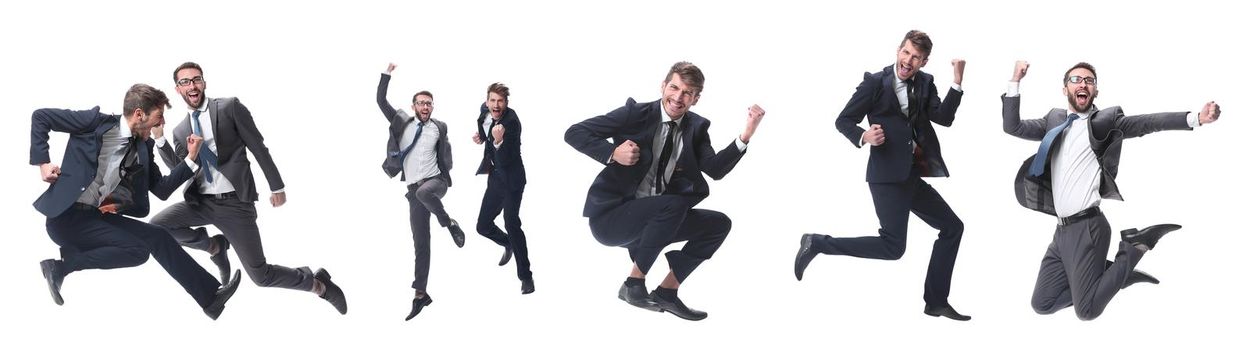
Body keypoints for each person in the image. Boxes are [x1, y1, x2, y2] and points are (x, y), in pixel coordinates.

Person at [1002, 60, 1220, 320]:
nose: (1083, 84)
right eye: (1076, 80)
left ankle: (1134, 247)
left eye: (1089, 81)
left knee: (1087, 311)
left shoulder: (1105, 121)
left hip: (1088, 228)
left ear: (1095, 91)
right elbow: (1012, 126)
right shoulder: (1054, 120)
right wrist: (1015, 80)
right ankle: (1116, 276)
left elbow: (1147, 123)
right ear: (1065, 89)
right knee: (1042, 303)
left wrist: (1196, 118)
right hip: (1062, 232)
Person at [565, 61, 765, 321]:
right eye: (674, 87)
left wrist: (746, 135)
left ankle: (667, 292)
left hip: (655, 223)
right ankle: (633, 285)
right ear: (663, 86)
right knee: (674, 203)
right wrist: (612, 153)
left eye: (687, 93)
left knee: (718, 224)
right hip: (612, 219)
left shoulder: (696, 128)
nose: (678, 97)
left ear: (696, 99)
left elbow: (714, 169)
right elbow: (574, 132)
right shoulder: (634, 114)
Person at [793, 30, 971, 321]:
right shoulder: (874, 83)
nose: (908, 61)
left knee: (952, 227)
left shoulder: (926, 82)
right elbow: (843, 120)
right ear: (898, 51)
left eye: (916, 57)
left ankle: (936, 301)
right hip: (887, 177)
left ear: (924, 62)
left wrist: (957, 81)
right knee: (892, 247)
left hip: (913, 175)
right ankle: (817, 243)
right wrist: (864, 135)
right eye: (906, 53)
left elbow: (944, 118)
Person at [32, 83, 242, 319]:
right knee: (137, 251)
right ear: (139, 114)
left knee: (158, 236)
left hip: (92, 217)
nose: (161, 123)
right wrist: (44, 163)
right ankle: (62, 267)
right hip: (65, 219)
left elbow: (161, 189)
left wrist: (191, 160)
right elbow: (41, 117)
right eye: (159, 116)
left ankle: (211, 299)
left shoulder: (143, 147)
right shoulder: (94, 123)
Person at [151, 62, 346, 315]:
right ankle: (213, 246)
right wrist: (159, 138)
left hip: (234, 204)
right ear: (178, 89)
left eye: (196, 79)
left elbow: (257, 145)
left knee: (260, 276)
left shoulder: (229, 107)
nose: (192, 85)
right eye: (185, 82)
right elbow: (180, 169)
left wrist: (276, 186)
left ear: (204, 82)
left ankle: (319, 285)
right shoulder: (179, 130)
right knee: (157, 227)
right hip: (200, 202)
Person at [377, 63, 466, 320]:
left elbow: (445, 153)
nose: (425, 107)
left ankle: (450, 223)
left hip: (435, 182)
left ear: (432, 107)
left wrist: (447, 171)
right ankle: (420, 295)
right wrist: (386, 74)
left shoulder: (440, 127)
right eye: (421, 103)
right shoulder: (402, 122)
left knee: (424, 193)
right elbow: (380, 100)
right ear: (414, 105)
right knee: (421, 243)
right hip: (413, 189)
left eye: (429, 103)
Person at [471, 83, 534, 294]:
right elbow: (483, 122)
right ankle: (508, 244)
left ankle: (526, 277)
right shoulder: (484, 110)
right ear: (487, 101)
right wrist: (483, 138)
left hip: (512, 179)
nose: (495, 105)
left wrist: (498, 141)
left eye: (500, 101)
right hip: (495, 179)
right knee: (482, 226)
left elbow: (507, 159)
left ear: (506, 103)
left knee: (512, 224)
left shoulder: (512, 123)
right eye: (492, 101)